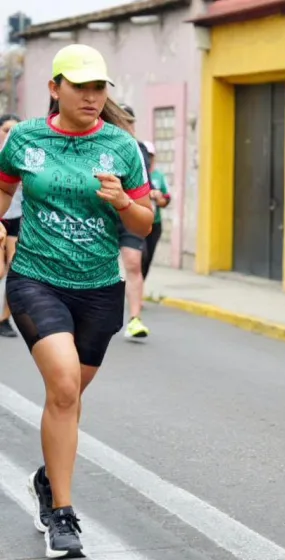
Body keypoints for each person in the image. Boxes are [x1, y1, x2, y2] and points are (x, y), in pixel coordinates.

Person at [0, 44, 153, 558]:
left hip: (99, 290)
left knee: (70, 396)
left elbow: (145, 222)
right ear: (54, 88)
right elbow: (2, 191)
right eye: (81, 86)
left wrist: (123, 202)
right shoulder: (25, 138)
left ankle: (48, 477)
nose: (91, 97)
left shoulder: (120, 146)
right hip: (35, 279)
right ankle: (62, 518)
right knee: (64, 387)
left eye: (99, 88)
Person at [116, 103, 153, 340]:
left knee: (132, 263)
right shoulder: (99, 142)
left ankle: (135, 319)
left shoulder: (138, 149)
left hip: (130, 211)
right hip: (101, 213)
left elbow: (144, 183)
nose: (125, 125)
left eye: (129, 121)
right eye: (121, 120)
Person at [0, 113, 22, 338]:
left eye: (16, 130)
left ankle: (4, 319)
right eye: (7, 130)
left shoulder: (25, 156)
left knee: (14, 268)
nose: (11, 134)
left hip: (17, 218)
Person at [142, 141, 171, 279]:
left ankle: (140, 284)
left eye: (151, 155)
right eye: (146, 155)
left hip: (155, 223)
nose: (148, 158)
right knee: (140, 256)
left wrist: (160, 199)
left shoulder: (159, 176)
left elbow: (166, 199)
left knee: (147, 259)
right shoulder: (138, 173)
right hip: (140, 223)